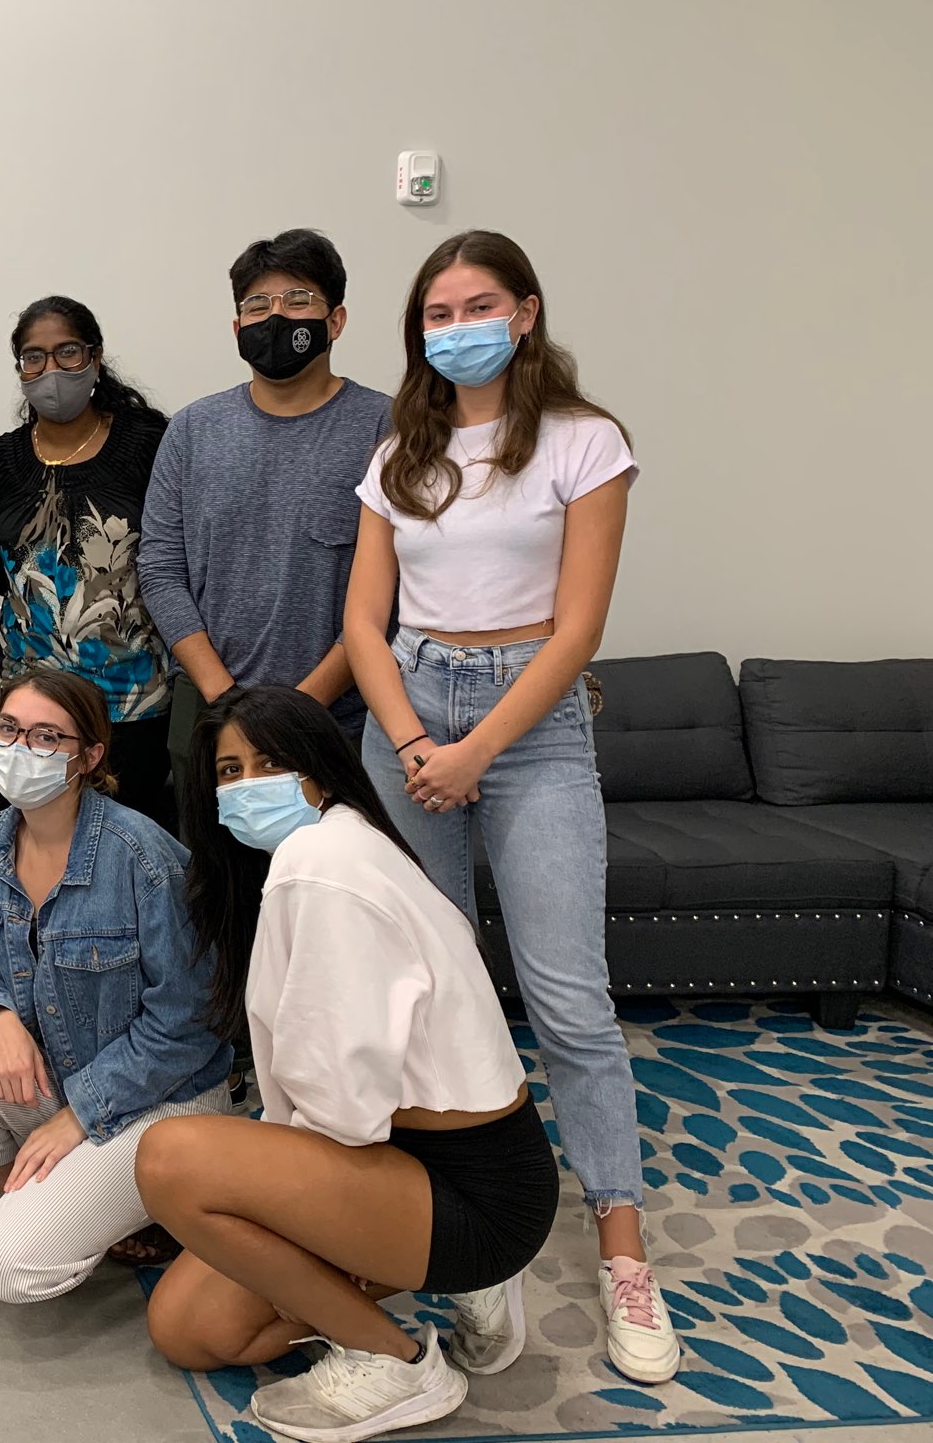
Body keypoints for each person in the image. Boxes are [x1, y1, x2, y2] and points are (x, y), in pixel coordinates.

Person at [344, 229, 676, 1385]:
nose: (454, 326)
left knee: (567, 1000)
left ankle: (620, 1241)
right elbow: (361, 626)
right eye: (434, 312)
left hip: (526, 722)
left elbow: (577, 627)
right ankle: (471, 1232)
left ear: (525, 313)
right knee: (429, 990)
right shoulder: (399, 453)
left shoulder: (585, 443)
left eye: (475, 304)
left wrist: (477, 747)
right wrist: (410, 743)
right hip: (410, 714)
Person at [138, 685, 558, 1443]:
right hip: (411, 1162)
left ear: (319, 769)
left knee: (171, 1160)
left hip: (472, 1190)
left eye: (268, 762)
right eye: (227, 771)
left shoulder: (318, 860)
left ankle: (395, 1362)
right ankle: (449, 1283)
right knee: (190, 1329)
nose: (244, 786)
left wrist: (301, 1225)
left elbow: (338, 1100)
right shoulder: (335, 846)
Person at [0, 669, 229, 1303]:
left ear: (91, 755)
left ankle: (75, 1212)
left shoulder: (143, 858)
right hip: (68, 1067)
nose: (22, 749)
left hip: (164, 1100)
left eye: (47, 737)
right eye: (9, 729)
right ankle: (55, 1204)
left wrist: (79, 1116)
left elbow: (189, 1023)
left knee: (7, 1265)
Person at [137, 228, 391, 817]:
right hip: (206, 712)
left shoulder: (386, 427)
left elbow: (397, 590)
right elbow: (160, 568)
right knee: (212, 891)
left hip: (344, 720)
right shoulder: (193, 430)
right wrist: (226, 701)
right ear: (236, 327)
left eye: (298, 300)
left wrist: (297, 715)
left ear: (337, 319)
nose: (276, 318)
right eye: (257, 305)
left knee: (335, 889)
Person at [0, 296, 177, 827]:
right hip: (28, 709)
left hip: (129, 704)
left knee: (129, 847)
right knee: (27, 841)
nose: (51, 370)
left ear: (95, 356)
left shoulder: (149, 443)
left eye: (67, 352)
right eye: (33, 357)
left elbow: (187, 560)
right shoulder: (2, 460)